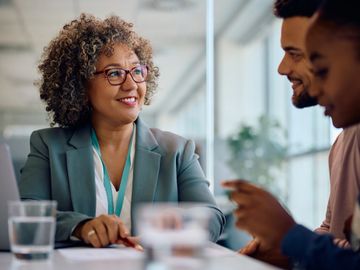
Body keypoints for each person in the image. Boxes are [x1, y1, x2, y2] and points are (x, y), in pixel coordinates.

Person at [19, 13, 225, 249]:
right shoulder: (48, 146)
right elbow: (25, 215)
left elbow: (212, 217)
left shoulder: (177, 151)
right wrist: (81, 226)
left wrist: (173, 230)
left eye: (137, 71)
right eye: (114, 73)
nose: (131, 85)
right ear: (81, 84)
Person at [223, 0, 360, 269]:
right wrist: (287, 248)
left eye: (298, 54)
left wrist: (292, 237)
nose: (282, 68)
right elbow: (336, 234)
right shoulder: (343, 141)